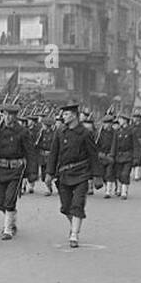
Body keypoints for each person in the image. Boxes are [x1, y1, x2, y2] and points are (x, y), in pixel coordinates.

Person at [46, 101, 103, 248]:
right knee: (66, 207)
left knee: (77, 205)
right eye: (63, 114)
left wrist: (97, 176)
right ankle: (74, 225)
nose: (63, 117)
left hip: (81, 174)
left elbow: (93, 155)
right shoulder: (60, 132)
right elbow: (53, 154)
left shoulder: (85, 133)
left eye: (65, 114)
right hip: (64, 174)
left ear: (74, 116)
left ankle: (74, 234)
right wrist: (49, 173)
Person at [0, 103, 36, 240]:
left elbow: (30, 152)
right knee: (0, 203)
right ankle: (11, 217)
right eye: (5, 114)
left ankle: (8, 229)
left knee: (10, 199)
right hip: (0, 169)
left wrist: (32, 172)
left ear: (15, 116)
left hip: (16, 170)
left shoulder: (22, 132)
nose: (7, 117)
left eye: (10, 115)